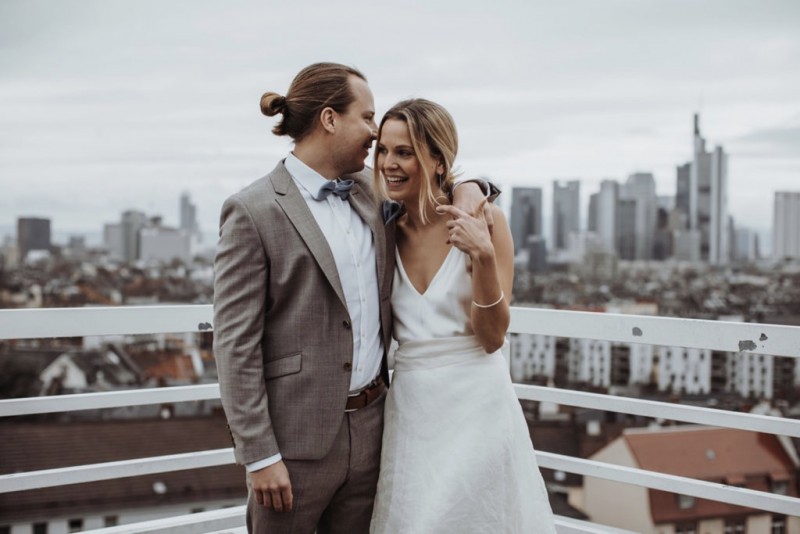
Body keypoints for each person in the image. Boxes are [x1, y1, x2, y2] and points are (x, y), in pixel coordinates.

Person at [213, 63, 491, 533]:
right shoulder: (253, 210)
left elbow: (435, 180)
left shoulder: (372, 190)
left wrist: (472, 188)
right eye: (366, 117)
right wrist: (259, 455)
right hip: (293, 445)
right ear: (329, 119)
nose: (375, 132)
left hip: (376, 433)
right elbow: (234, 344)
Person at [369, 99, 556, 533]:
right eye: (383, 150)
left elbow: (492, 338)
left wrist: (483, 256)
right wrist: (473, 184)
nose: (388, 163)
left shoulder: (487, 222)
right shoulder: (381, 228)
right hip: (412, 409)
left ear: (439, 161)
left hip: (478, 406)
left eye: (404, 152)